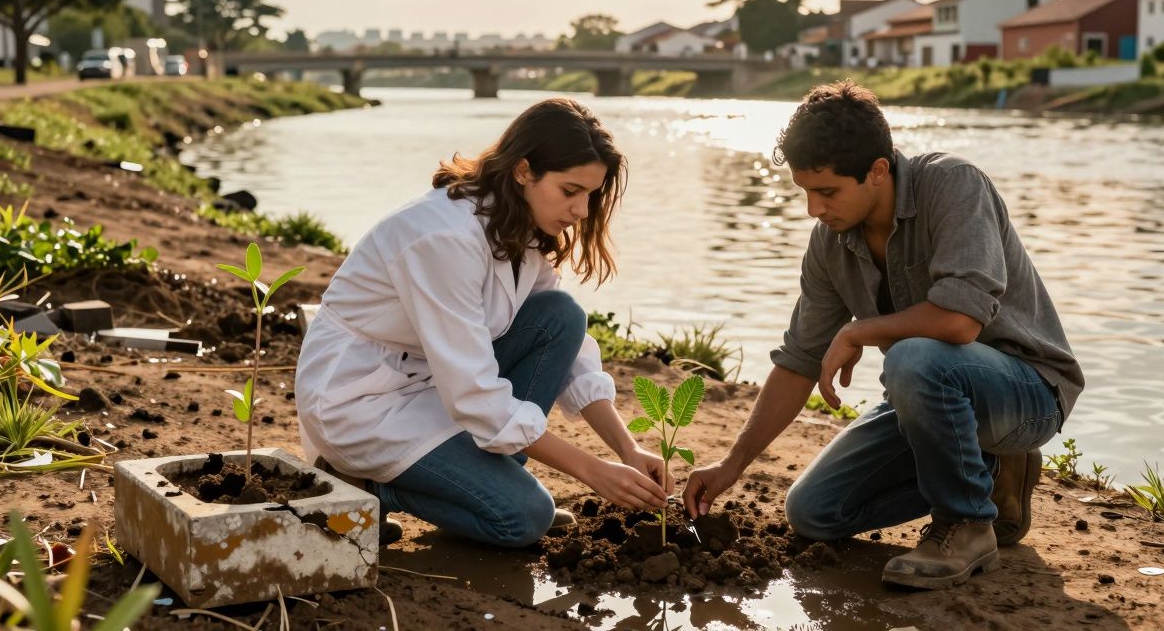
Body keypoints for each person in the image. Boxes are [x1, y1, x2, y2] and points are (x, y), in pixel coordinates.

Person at [683, 80, 1084, 589]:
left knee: (913, 358)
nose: (814, 209)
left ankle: (965, 524)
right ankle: (989, 470)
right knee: (813, 513)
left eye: (826, 192)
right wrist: (732, 464)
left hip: (1029, 392)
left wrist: (861, 331)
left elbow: (960, 322)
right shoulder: (829, 243)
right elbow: (800, 358)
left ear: (878, 170)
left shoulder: (955, 184)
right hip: (930, 395)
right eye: (806, 192)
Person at [295, 98, 670, 548]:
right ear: (524, 171)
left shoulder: (522, 225)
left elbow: (567, 352)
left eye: (590, 194)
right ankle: (371, 488)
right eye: (570, 191)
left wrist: (626, 449)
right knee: (524, 519)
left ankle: (490, 483)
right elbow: (474, 394)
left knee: (561, 316)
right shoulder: (443, 237)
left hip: (433, 382)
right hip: (363, 400)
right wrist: (592, 470)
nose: (582, 211)